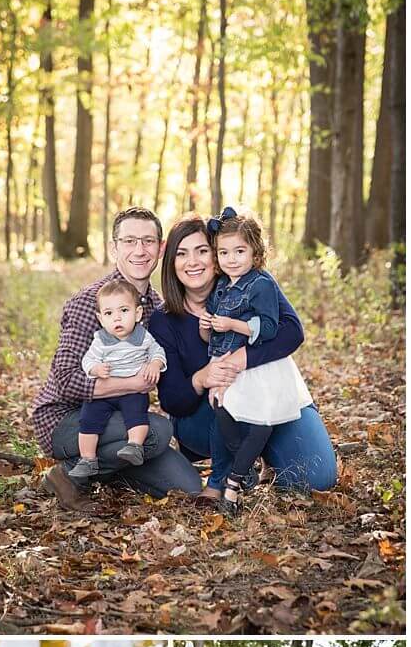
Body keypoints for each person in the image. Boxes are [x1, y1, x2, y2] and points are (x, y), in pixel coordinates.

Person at [145, 214, 338, 502]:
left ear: (216, 255)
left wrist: (239, 359)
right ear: (171, 262)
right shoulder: (163, 320)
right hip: (207, 414)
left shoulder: (252, 283)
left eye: (202, 251)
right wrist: (202, 377)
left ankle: (259, 456)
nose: (193, 262)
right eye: (182, 254)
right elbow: (172, 400)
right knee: (224, 398)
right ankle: (234, 471)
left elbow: (291, 332)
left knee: (316, 478)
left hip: (270, 397)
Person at [29, 207, 203, 507]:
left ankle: (108, 468)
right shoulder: (90, 302)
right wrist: (134, 384)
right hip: (67, 420)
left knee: (188, 487)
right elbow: (68, 381)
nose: (139, 250)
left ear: (161, 249)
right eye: (129, 241)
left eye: (148, 241)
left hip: (121, 419)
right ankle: (68, 475)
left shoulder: (155, 308)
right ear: (114, 248)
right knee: (158, 431)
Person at [199, 209, 316, 513]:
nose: (232, 258)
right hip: (227, 364)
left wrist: (233, 325)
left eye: (240, 251)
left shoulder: (261, 284)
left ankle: (233, 487)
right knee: (224, 413)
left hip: (260, 367)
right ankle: (247, 465)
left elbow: (270, 326)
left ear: (256, 251)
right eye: (224, 252)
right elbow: (214, 326)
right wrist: (207, 324)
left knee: (259, 422)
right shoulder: (223, 285)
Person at [70, 279, 166, 483]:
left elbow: (158, 352)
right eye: (109, 313)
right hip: (104, 393)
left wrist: (154, 365)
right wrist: (96, 368)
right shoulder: (101, 340)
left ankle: (134, 446)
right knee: (88, 419)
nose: (117, 318)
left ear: (137, 313)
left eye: (124, 310)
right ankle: (87, 458)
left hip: (132, 393)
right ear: (101, 318)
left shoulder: (143, 337)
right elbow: (88, 360)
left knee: (137, 414)